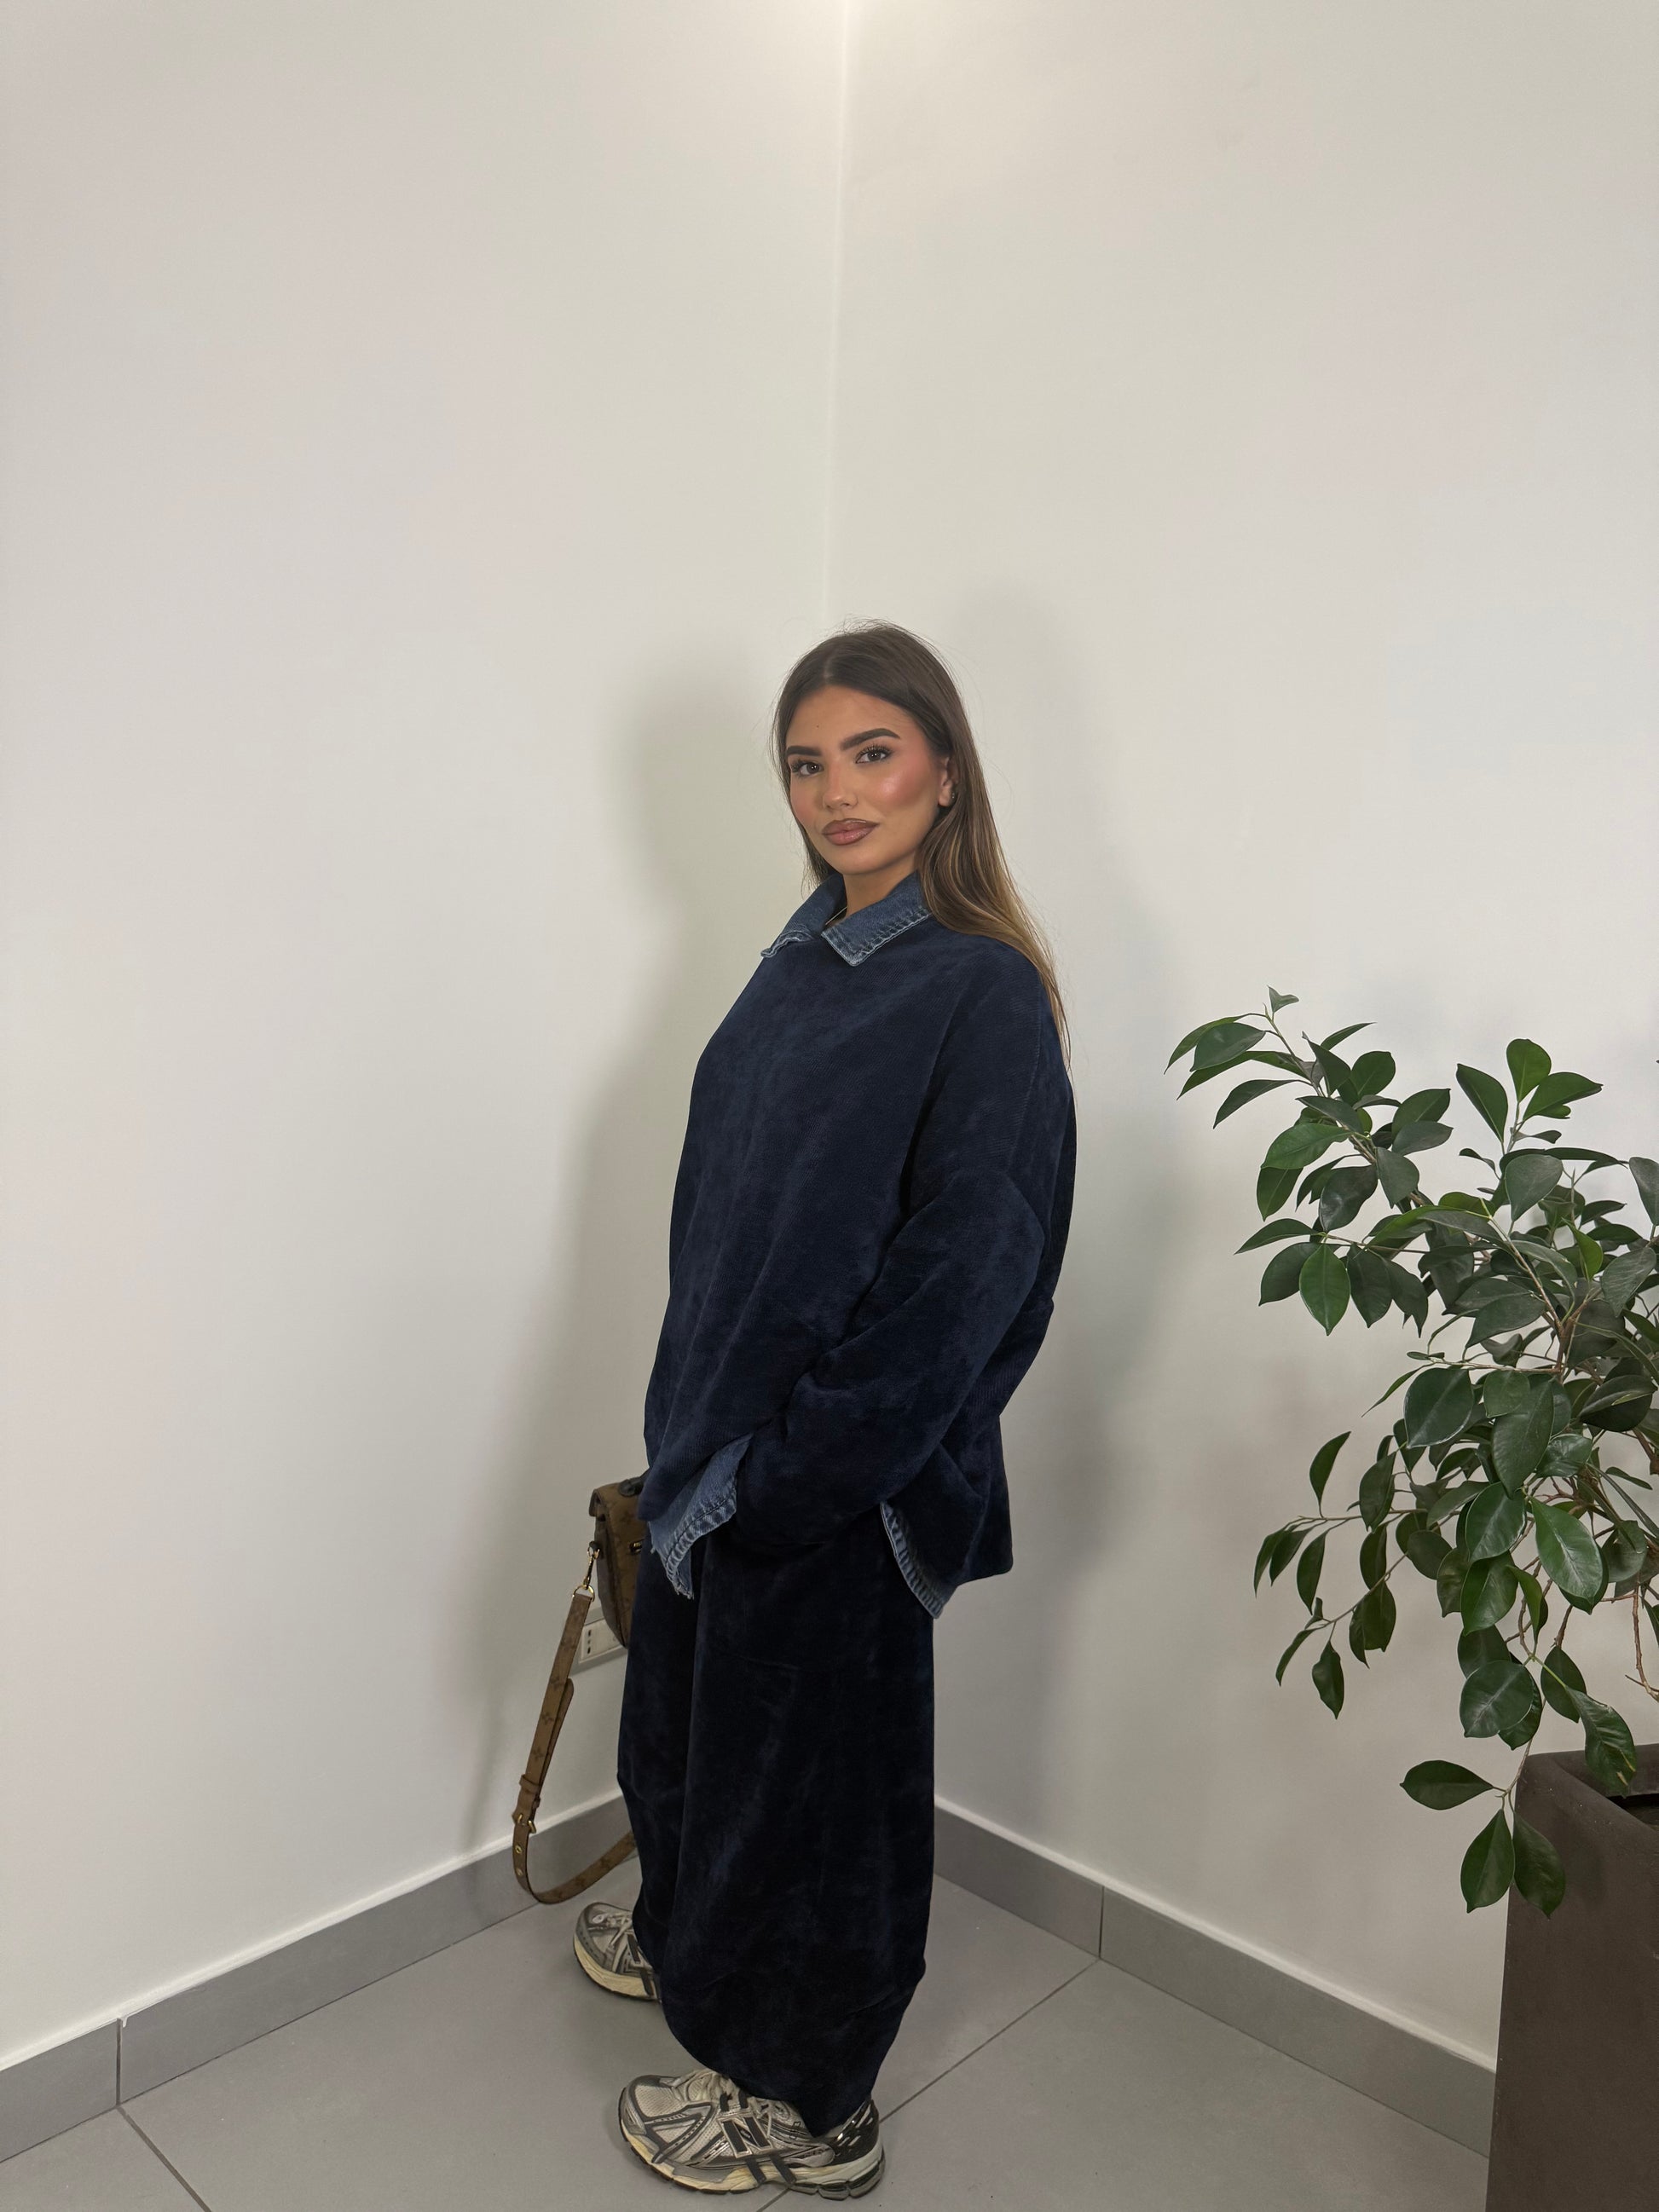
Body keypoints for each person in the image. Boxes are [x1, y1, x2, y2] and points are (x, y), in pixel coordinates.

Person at [575, 622, 1076, 2197]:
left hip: (836, 1476)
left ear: (945, 772)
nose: (836, 791)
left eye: (872, 753)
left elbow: (968, 1280)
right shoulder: (799, 959)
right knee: (693, 1756)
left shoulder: (977, 991)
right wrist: (696, 1451)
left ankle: (810, 2104)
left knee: (817, 1812)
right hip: (712, 1448)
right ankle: (690, 1944)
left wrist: (794, 1475)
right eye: (807, 763)